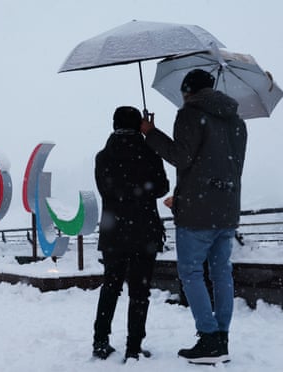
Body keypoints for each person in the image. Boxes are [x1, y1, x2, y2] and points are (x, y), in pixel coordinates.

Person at [141, 69, 247, 365]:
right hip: (226, 209)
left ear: (188, 90)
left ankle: (209, 338)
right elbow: (228, 168)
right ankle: (221, 337)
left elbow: (181, 157)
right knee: (221, 272)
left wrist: (150, 134)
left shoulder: (190, 114)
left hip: (197, 213)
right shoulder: (237, 122)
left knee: (190, 272)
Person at [92, 106, 169, 362]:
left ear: (113, 125)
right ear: (139, 125)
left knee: (111, 287)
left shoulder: (102, 157)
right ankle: (133, 348)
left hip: (114, 232)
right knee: (139, 292)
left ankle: (100, 341)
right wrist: (151, 136)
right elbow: (162, 188)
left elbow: (106, 191)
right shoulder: (149, 152)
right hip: (144, 232)